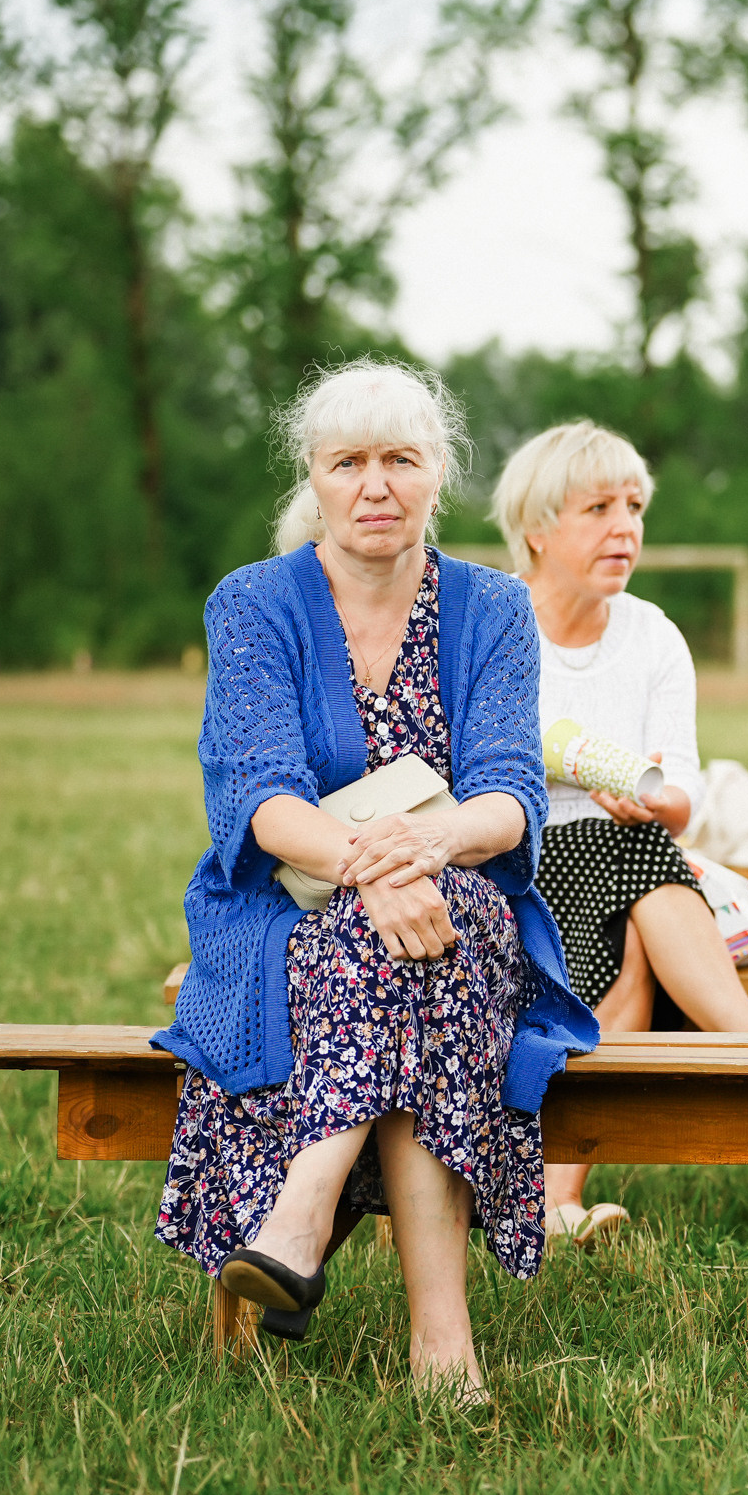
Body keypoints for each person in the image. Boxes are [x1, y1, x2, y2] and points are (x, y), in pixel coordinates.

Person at [153, 358, 595, 1401]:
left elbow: (508, 796)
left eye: (402, 458)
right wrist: (373, 871)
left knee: (431, 932)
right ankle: (444, 1349)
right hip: (281, 907)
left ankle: (298, 1221)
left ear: (440, 473)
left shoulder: (491, 606)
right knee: (406, 947)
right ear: (314, 474)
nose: (376, 484)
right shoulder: (253, 602)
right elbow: (259, 797)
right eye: (349, 461)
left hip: (460, 888)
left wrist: (425, 853)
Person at [491, 421, 748, 1244]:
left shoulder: (652, 633)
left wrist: (655, 800)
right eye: (599, 509)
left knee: (636, 863)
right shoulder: (497, 625)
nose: (626, 528)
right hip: (515, 859)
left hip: (632, 859)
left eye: (636, 507)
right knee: (635, 876)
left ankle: (554, 1200)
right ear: (538, 529)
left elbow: (683, 788)